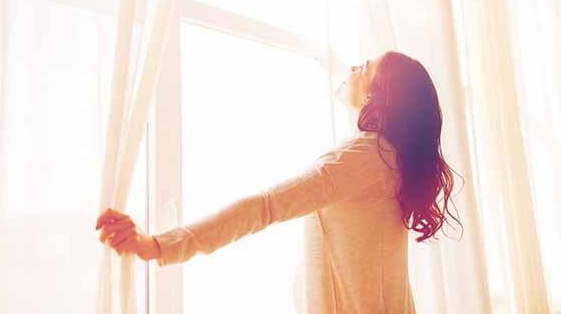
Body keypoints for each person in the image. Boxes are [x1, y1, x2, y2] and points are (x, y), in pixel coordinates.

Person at [96, 50, 463, 313]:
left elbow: (265, 206)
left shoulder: (362, 159)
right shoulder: (392, 158)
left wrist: (159, 246)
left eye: (364, 66)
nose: (353, 67)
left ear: (377, 94)